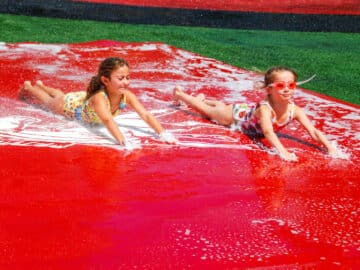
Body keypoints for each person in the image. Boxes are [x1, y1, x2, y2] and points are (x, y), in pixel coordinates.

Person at [173, 66, 337, 161]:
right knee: (208, 112)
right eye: (281, 86)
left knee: (215, 107)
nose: (287, 89)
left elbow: (314, 131)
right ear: (269, 89)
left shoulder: (295, 110)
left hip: (244, 111)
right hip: (233, 117)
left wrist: (330, 148)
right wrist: (284, 152)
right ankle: (180, 94)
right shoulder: (265, 109)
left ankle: (202, 98)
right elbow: (268, 132)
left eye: (291, 85)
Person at [19, 57, 177, 147]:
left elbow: (145, 114)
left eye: (128, 78)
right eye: (120, 78)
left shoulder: (126, 95)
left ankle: (42, 85)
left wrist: (162, 133)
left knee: (61, 94)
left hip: (80, 99)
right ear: (105, 80)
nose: (126, 82)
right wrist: (124, 141)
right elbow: (108, 120)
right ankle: (31, 88)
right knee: (48, 101)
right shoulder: (100, 98)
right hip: (69, 108)